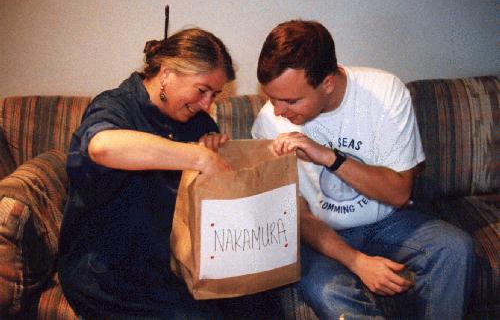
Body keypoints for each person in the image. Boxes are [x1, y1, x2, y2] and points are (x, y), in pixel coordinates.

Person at [251, 20, 475, 319]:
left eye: (290, 100)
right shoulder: (269, 122)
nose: (278, 111)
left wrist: (331, 158)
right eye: (271, 98)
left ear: (327, 83)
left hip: (387, 221)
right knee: (329, 291)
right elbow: (297, 216)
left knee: (454, 249)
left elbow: (398, 193)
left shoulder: (384, 92)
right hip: (318, 233)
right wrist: (357, 262)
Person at [58, 28, 235, 319]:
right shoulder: (115, 105)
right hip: (105, 269)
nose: (207, 105)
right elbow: (102, 146)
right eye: (202, 90)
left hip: (168, 266)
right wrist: (197, 156)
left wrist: (214, 151)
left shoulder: (197, 122)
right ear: (166, 73)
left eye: (214, 95)